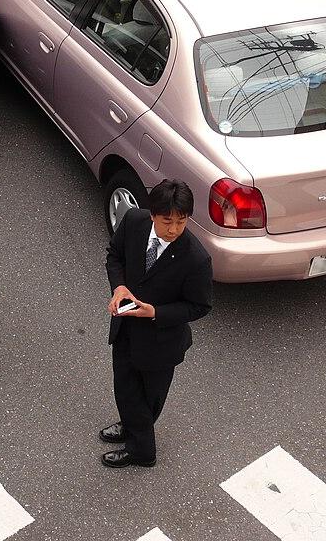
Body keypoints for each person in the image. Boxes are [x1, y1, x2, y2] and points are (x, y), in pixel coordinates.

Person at [101, 179, 213, 468]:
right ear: (152, 214)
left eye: (181, 221)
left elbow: (199, 306)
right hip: (126, 327)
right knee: (124, 386)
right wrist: (119, 287)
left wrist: (155, 312)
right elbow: (114, 256)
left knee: (149, 398)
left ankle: (142, 452)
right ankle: (131, 426)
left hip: (162, 342)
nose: (173, 229)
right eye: (167, 221)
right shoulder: (133, 222)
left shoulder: (197, 259)